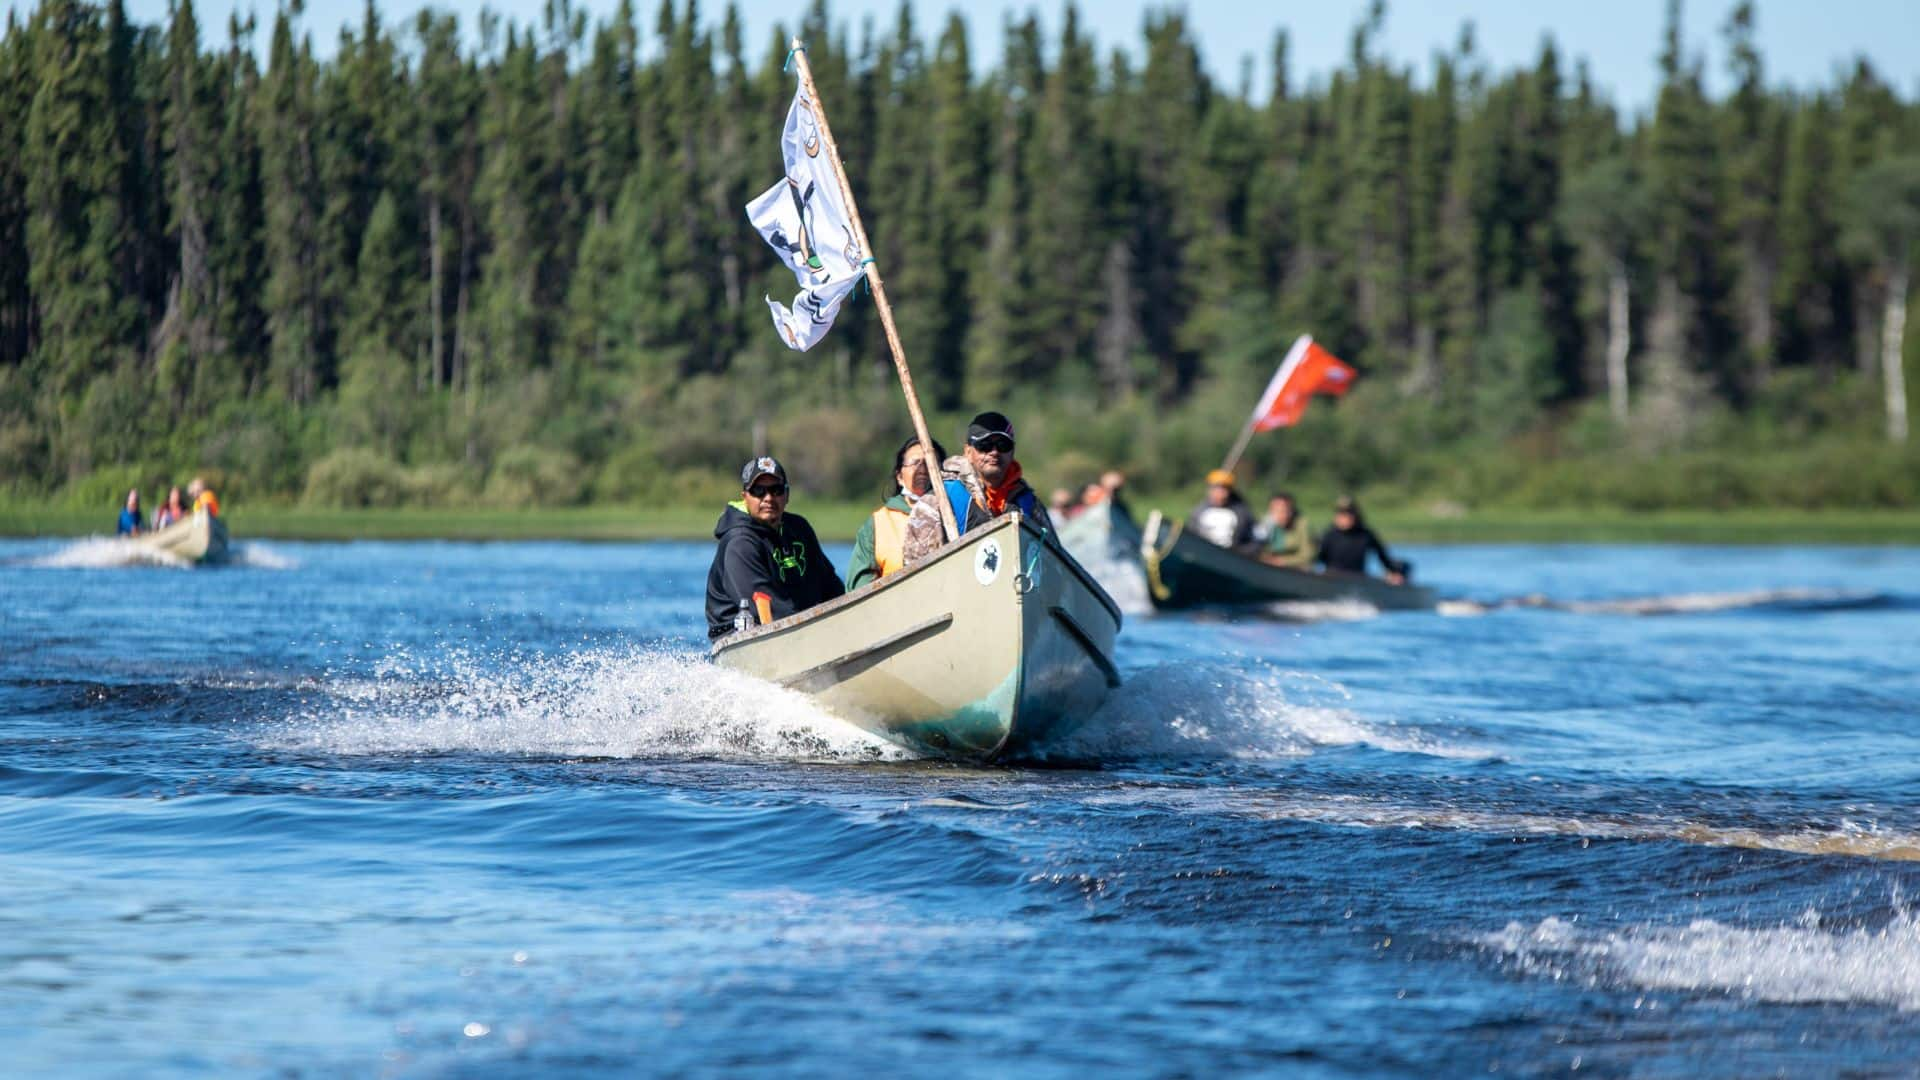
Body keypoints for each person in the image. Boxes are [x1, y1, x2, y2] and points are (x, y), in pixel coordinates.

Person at [706, 456, 845, 639]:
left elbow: (831, 586)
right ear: (745, 497)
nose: (768, 498)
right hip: (746, 636)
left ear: (787, 495)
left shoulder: (799, 528)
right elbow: (766, 608)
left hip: (803, 628)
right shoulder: (740, 543)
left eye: (776, 490)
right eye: (758, 491)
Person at [845, 435, 950, 591]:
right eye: (915, 462)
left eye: (929, 463)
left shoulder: (954, 511)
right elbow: (858, 589)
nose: (922, 468)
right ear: (900, 476)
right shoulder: (878, 523)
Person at [941, 411, 1054, 535]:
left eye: (1003, 445)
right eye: (984, 446)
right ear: (968, 452)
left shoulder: (1030, 504)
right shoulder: (942, 497)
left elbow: (1053, 551)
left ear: (1012, 451)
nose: (994, 452)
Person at [1315, 494, 1409, 584]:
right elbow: (1316, 557)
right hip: (1331, 578)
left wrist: (1395, 573)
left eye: (1348, 513)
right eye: (1340, 513)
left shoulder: (1365, 535)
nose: (1343, 517)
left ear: (1356, 515)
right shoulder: (1329, 535)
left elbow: (1383, 558)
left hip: (1357, 579)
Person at [1189, 469, 1256, 552]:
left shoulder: (1242, 512)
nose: (1220, 494)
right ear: (1209, 489)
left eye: (1224, 489)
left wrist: (1240, 552)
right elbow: (1192, 535)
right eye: (1216, 488)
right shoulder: (1198, 511)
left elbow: (1253, 539)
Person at [1258, 492, 1315, 569]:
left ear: (1291, 511)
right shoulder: (1265, 522)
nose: (1279, 515)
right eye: (1275, 511)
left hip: (1294, 569)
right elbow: (1257, 547)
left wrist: (1283, 561)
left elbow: (1307, 554)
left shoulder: (1302, 524)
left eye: (1283, 511)